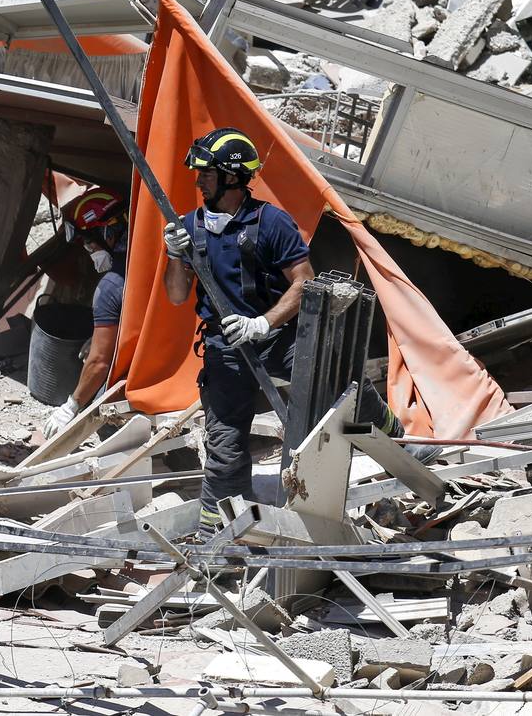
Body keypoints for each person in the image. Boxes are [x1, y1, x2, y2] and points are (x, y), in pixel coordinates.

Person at [162, 128, 424, 537]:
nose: (198, 182)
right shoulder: (189, 228)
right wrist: (174, 257)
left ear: (232, 177)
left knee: (341, 389)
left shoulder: (271, 223)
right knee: (224, 448)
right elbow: (176, 296)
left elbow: (304, 282)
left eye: (207, 174)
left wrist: (262, 323)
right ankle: (221, 534)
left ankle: (394, 437)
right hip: (225, 347)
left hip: (278, 337)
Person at [42, 187, 128, 439]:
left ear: (107, 233)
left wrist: (72, 406)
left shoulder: (111, 286)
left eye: (88, 241)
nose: (88, 249)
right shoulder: (152, 262)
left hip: (142, 383)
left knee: (101, 408)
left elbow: (100, 362)